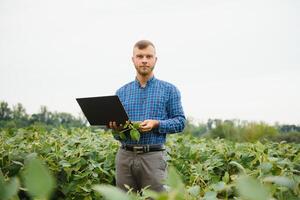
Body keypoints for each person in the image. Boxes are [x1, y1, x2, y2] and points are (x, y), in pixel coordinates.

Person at [108, 40, 185, 193]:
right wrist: (116, 129)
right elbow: (117, 136)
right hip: (125, 156)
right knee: (125, 197)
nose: (144, 60)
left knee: (155, 197)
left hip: (153, 157)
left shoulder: (169, 90)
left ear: (155, 60)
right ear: (133, 60)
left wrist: (156, 123)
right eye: (140, 56)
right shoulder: (121, 92)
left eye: (149, 56)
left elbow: (180, 122)